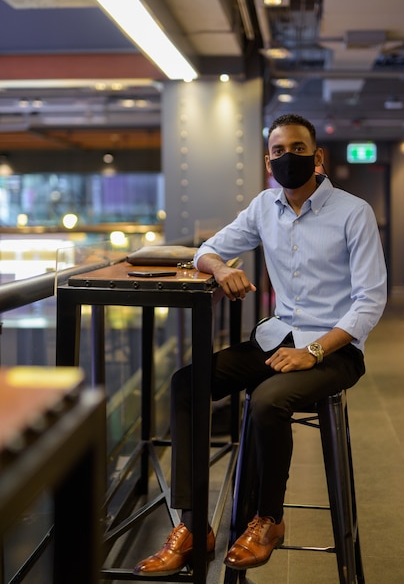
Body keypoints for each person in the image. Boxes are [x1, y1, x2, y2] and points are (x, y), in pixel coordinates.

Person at [134, 113, 387, 575]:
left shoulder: (354, 213)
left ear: (318, 157)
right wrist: (222, 268)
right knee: (187, 384)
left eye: (297, 149)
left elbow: (370, 302)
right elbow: (205, 249)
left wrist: (312, 352)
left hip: (336, 350)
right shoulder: (264, 206)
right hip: (276, 338)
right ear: (267, 160)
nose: (287, 157)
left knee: (267, 401)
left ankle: (268, 519)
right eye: (278, 151)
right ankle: (194, 524)